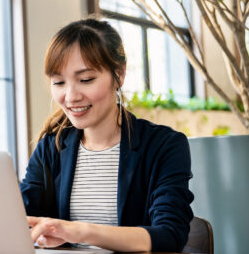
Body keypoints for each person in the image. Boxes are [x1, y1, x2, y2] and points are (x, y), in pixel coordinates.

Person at [20, 18, 194, 253]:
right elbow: (18, 216)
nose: (70, 97)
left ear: (119, 75)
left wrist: (78, 231)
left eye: (86, 80)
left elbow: (169, 234)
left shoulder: (164, 145)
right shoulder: (51, 148)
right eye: (59, 82)